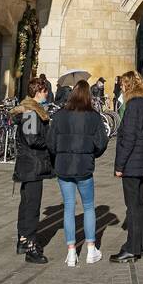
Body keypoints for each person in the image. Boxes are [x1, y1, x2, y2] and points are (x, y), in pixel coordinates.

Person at [47, 79, 108, 266]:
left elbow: (51, 143)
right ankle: (91, 249)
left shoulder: (58, 116)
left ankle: (71, 252)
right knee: (89, 206)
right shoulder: (94, 117)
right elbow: (101, 143)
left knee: (69, 207)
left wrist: (59, 154)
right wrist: (92, 154)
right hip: (84, 167)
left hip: (64, 166)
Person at [111, 70, 143, 264]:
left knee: (133, 207)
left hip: (132, 164)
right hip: (142, 162)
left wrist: (119, 166)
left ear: (128, 85)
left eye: (122, 84)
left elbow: (128, 138)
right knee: (141, 204)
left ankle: (132, 248)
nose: (120, 87)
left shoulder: (133, 106)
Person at [11, 78, 53, 265]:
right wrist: (51, 143)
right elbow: (31, 139)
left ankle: (23, 240)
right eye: (45, 91)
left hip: (32, 165)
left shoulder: (34, 111)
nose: (47, 95)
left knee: (28, 203)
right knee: (31, 206)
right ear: (38, 92)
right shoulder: (29, 112)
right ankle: (29, 245)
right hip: (31, 165)